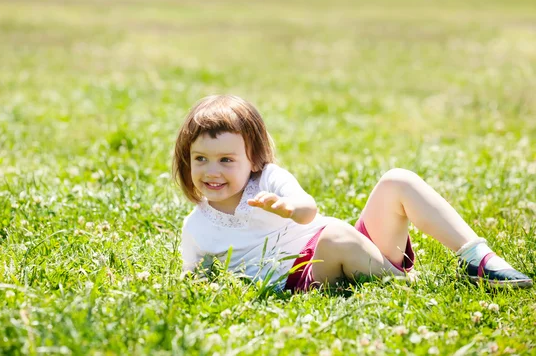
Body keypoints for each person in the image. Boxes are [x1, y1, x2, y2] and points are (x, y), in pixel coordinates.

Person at [173, 94, 533, 292]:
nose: (212, 171)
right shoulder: (197, 226)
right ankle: (406, 284)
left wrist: (288, 208)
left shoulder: (268, 178)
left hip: (345, 247)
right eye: (200, 159)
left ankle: (478, 258)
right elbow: (196, 278)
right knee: (337, 237)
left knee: (398, 180)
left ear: (253, 160)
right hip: (303, 273)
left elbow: (307, 209)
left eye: (226, 159)